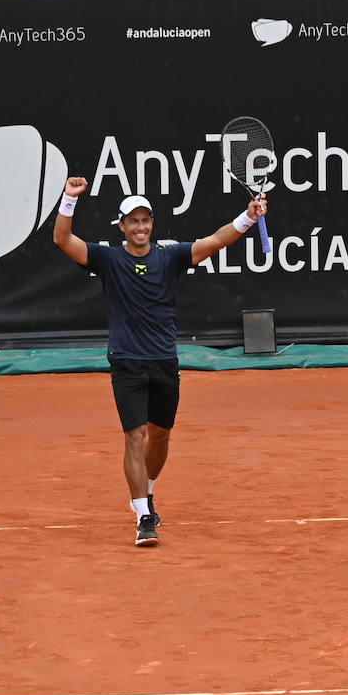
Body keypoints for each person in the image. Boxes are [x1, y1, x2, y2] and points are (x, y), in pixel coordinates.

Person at [53, 177, 267, 547]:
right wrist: (69, 200)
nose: (140, 227)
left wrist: (247, 218)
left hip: (164, 360)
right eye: (133, 221)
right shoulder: (108, 259)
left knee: (161, 434)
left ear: (152, 223)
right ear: (121, 226)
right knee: (134, 436)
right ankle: (142, 516)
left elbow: (215, 241)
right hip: (126, 362)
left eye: (145, 220)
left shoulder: (169, 257)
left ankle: (147, 492)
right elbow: (63, 240)